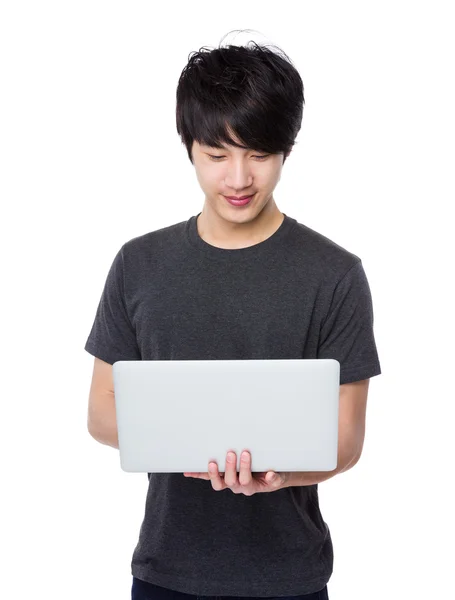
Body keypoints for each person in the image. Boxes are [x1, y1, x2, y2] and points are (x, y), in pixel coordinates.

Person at [85, 32, 381, 600]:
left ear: (286, 150)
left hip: (288, 577)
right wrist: (201, 441)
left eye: (259, 155)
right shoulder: (139, 264)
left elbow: (346, 439)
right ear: (189, 147)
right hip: (166, 571)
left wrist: (281, 475)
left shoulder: (335, 274)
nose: (239, 179)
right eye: (217, 156)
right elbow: (100, 414)